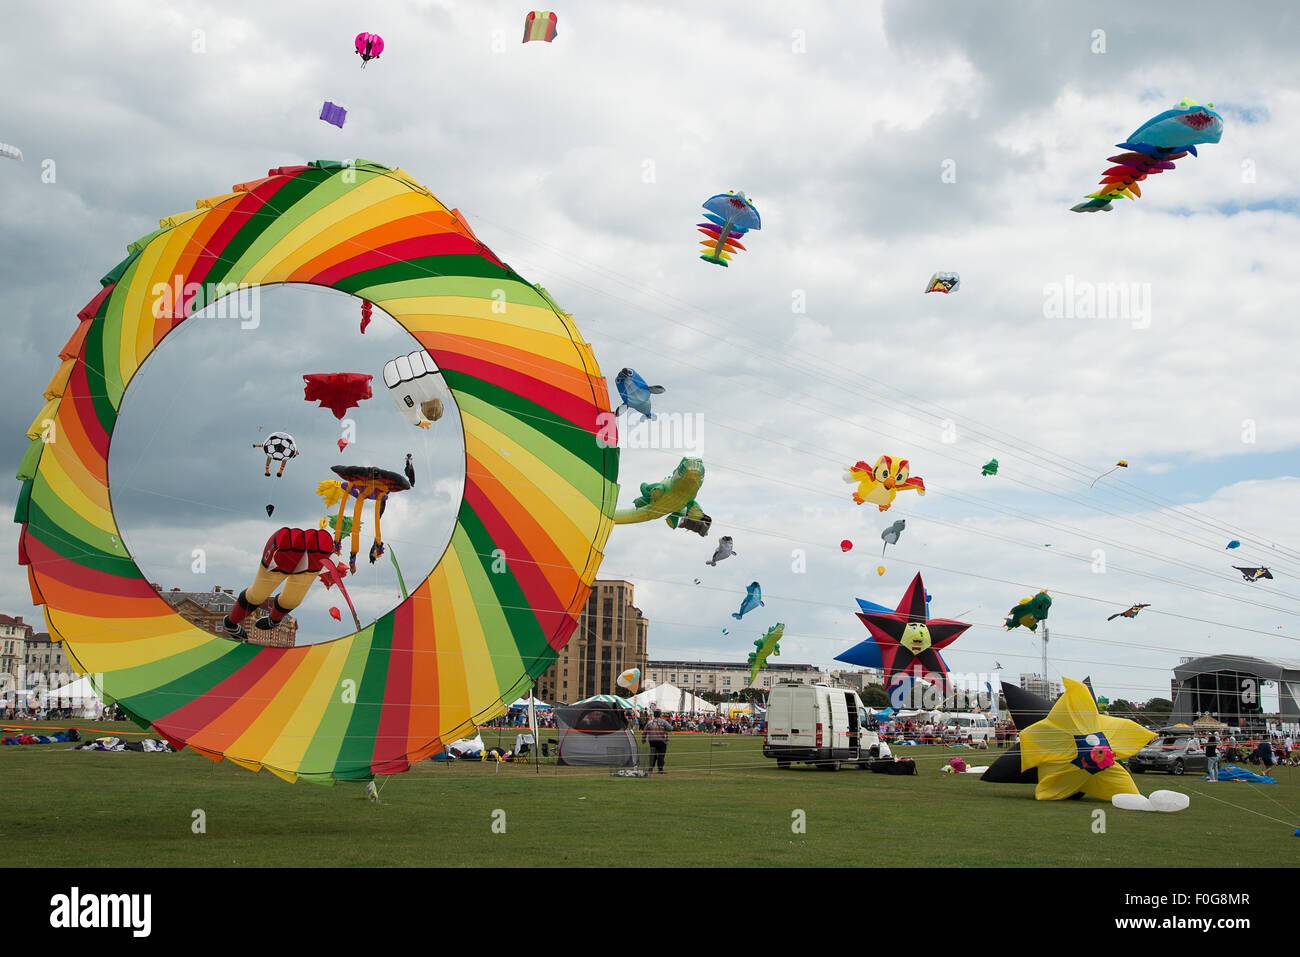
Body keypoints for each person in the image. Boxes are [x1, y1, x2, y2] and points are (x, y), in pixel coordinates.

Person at [643, 708, 672, 774]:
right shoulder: (663, 721)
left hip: (652, 741)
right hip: (661, 741)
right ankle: (660, 769)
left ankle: (650, 769)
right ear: (660, 714)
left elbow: (644, 731)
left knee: (653, 755)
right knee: (661, 755)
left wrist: (643, 739)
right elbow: (670, 728)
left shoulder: (649, 722)